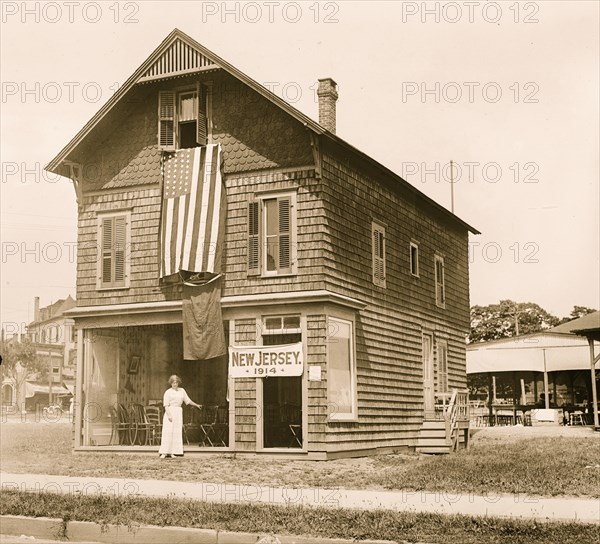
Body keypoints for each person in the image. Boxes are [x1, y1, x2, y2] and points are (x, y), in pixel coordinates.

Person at [159, 375, 201, 459]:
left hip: (178, 412)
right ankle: (164, 452)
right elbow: (166, 405)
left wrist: (196, 405)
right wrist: (169, 415)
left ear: (178, 383)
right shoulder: (168, 392)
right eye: (173, 382)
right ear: (171, 383)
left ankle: (172, 452)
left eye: (176, 382)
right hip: (170, 412)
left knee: (176, 432)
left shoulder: (182, 391)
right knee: (168, 432)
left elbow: (188, 401)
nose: (175, 384)